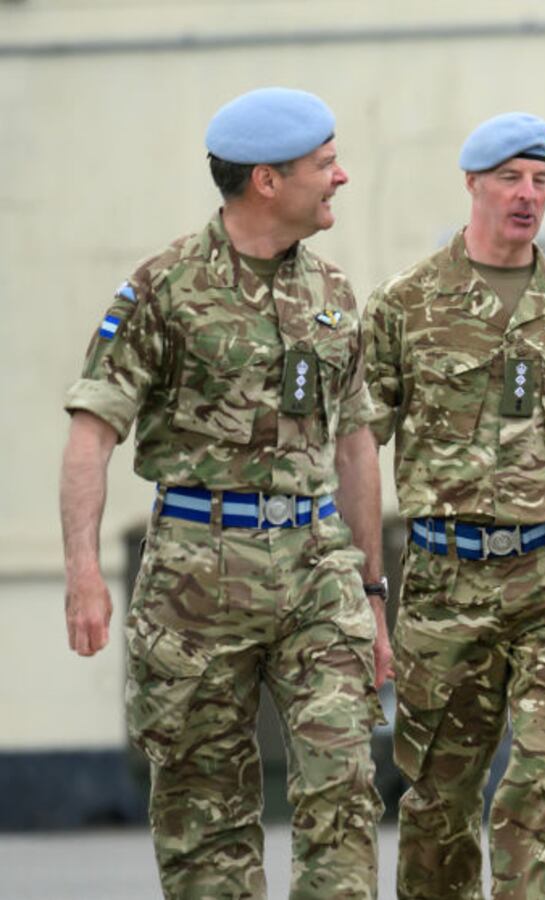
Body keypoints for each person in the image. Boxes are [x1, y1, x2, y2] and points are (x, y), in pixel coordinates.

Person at [59, 87, 389, 898]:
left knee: (343, 787)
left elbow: (355, 447)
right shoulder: (163, 290)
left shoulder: (336, 296)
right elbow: (91, 435)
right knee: (205, 812)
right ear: (267, 181)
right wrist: (83, 573)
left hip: (317, 567)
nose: (341, 176)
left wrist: (374, 593)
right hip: (196, 577)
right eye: (325, 164)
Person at [362, 112, 545, 899]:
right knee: (439, 800)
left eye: (541, 180)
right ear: (472, 183)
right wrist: (367, 585)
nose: (527, 195)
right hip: (445, 579)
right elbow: (353, 448)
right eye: (510, 177)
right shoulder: (404, 307)